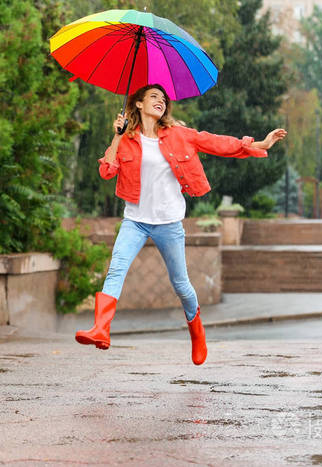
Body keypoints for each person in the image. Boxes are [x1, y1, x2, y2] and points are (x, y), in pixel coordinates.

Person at [75, 84, 287, 365]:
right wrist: (115, 137)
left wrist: (259, 144)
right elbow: (106, 171)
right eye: (153, 97)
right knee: (116, 270)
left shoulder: (179, 135)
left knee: (181, 284)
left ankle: (197, 332)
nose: (160, 101)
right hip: (135, 221)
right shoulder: (126, 138)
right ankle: (101, 329)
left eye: (163, 99)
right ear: (138, 104)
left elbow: (217, 143)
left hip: (169, 222)